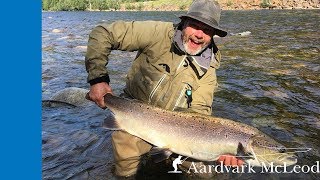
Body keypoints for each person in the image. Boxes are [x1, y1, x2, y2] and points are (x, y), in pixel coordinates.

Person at [85, 0, 243, 178]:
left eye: (207, 30)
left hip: (178, 132)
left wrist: (219, 150)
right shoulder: (157, 33)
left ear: (213, 35)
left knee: (209, 174)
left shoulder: (209, 70)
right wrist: (98, 79)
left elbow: (200, 115)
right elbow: (102, 33)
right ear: (184, 23)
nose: (199, 35)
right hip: (135, 115)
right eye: (195, 26)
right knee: (126, 170)